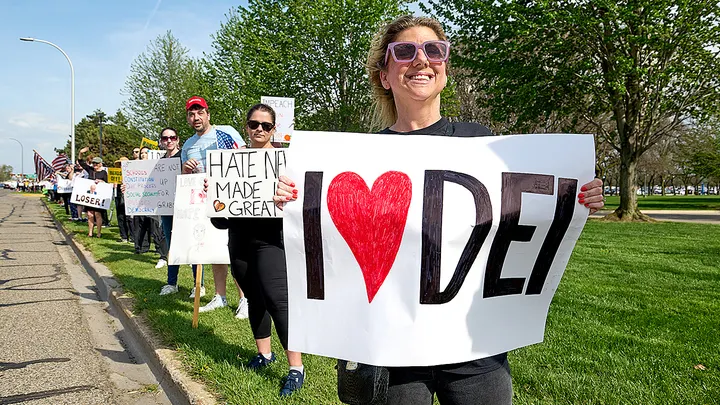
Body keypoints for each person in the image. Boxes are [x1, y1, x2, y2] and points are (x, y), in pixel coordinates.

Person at [274, 15, 605, 405]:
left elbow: (515, 219)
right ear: (384, 76)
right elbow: (335, 250)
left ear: (445, 67)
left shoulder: (482, 144)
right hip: (392, 351)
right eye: (404, 51)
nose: (421, 59)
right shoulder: (355, 160)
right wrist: (298, 200)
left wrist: (574, 199)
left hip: (474, 345)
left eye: (434, 50)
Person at [205, 104, 304, 396]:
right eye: (253, 124)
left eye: (265, 125)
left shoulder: (286, 163)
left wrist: (289, 195)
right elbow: (219, 220)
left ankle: (296, 367)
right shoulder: (229, 163)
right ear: (246, 127)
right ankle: (264, 354)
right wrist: (215, 194)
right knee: (252, 296)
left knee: (277, 300)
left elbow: (298, 206)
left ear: (274, 129)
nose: (259, 129)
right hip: (239, 239)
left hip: (271, 240)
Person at [181, 96, 248, 317]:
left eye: (200, 113)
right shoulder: (188, 145)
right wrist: (186, 169)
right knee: (214, 248)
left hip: (229, 199)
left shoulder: (226, 133)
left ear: (208, 114)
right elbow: (184, 178)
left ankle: (245, 298)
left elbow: (245, 158)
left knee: (235, 248)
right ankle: (220, 296)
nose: (196, 117)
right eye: (191, 114)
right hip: (203, 203)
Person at [156, 127, 205, 297]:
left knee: (193, 242)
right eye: (165, 138)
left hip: (186, 207)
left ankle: (199, 284)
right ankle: (171, 283)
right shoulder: (160, 162)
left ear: (178, 139)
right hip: (167, 208)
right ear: (161, 141)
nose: (169, 141)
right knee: (172, 245)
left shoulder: (184, 158)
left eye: (172, 137)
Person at [77, 148, 109, 238]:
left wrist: (101, 182)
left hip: (99, 197)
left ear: (100, 164)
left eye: (97, 163)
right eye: (94, 163)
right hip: (90, 196)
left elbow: (107, 184)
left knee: (97, 214)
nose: (95, 165)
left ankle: (99, 232)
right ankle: (90, 232)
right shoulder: (90, 170)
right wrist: (80, 153)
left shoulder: (104, 173)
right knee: (90, 214)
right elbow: (81, 162)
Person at [113, 157, 132, 243]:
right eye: (120, 164)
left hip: (129, 194)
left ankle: (132, 236)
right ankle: (123, 236)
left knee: (129, 217)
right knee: (120, 216)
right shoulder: (116, 174)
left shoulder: (131, 173)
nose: (122, 166)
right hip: (118, 193)